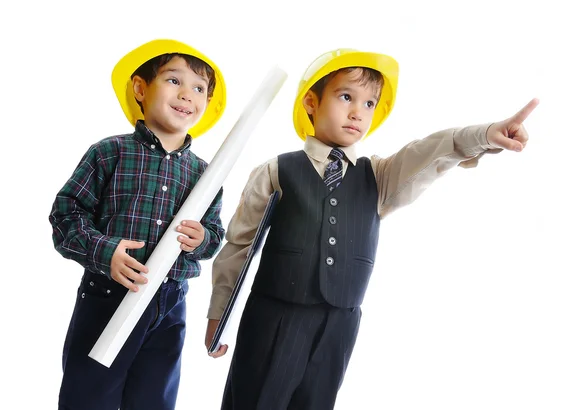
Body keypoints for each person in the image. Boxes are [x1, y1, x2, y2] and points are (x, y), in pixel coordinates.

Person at [205, 48, 538, 410]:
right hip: (274, 318)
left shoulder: (378, 177)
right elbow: (240, 245)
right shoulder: (275, 170)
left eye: (369, 104)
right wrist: (218, 315)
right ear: (311, 102)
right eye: (346, 97)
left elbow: (430, 152)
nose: (356, 112)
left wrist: (486, 135)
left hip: (340, 326)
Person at [49, 38, 227, 410]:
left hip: (169, 304)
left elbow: (214, 237)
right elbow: (66, 214)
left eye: (199, 89)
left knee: (154, 399)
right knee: (89, 396)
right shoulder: (109, 152)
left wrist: (202, 239)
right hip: (107, 297)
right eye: (174, 81)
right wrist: (104, 250)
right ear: (141, 88)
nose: (187, 95)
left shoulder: (205, 175)